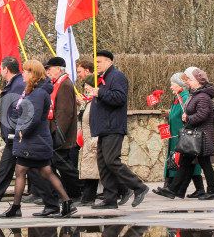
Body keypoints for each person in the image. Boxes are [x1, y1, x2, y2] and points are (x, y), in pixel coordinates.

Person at [0, 56, 60, 217]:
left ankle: (53, 203)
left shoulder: (19, 85)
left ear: (5, 69)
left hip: (19, 137)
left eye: (0, 68)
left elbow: (27, 111)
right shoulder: (13, 84)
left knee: (32, 171)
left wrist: (19, 131)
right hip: (15, 136)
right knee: (8, 170)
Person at [0, 60, 76, 218]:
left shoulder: (38, 93)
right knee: (46, 172)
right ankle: (65, 203)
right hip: (37, 140)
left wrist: (22, 131)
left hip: (34, 141)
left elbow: (32, 117)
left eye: (26, 72)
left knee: (21, 171)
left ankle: (16, 207)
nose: (23, 74)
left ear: (33, 74)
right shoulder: (33, 91)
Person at [86, 50, 149, 209]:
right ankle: (110, 198)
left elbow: (120, 98)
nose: (96, 65)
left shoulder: (117, 76)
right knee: (103, 163)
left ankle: (139, 187)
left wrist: (99, 92)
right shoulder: (102, 78)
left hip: (113, 126)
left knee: (111, 160)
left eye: (99, 62)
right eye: (95, 62)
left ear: (109, 62)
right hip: (103, 127)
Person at [155, 68, 214, 200]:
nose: (188, 82)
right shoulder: (197, 94)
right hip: (195, 136)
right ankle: (175, 190)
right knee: (185, 162)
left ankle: (212, 190)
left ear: (198, 82)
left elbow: (203, 114)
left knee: (203, 164)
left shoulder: (202, 96)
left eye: (190, 80)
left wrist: (187, 118)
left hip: (200, 136)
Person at [159, 72, 205, 198]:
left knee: (183, 161)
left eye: (173, 84)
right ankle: (172, 186)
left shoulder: (183, 98)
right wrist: (169, 116)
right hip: (176, 135)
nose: (171, 87)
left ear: (180, 86)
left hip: (181, 136)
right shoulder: (178, 98)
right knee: (183, 161)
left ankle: (171, 187)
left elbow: (187, 114)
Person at [45, 56, 81, 200]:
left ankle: (75, 193)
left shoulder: (64, 84)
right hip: (57, 133)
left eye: (50, 69)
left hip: (60, 135)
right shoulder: (58, 83)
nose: (48, 71)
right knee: (58, 164)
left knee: (64, 166)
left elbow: (65, 113)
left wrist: (58, 133)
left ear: (58, 69)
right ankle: (60, 193)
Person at [78, 74, 101, 205]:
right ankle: (87, 197)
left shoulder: (96, 102)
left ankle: (88, 198)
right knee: (91, 168)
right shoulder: (88, 101)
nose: (85, 87)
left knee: (94, 168)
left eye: (88, 85)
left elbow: (96, 121)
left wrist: (95, 140)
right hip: (87, 140)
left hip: (92, 139)